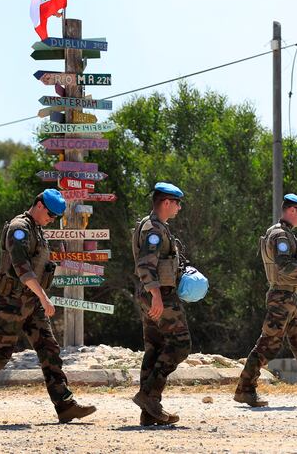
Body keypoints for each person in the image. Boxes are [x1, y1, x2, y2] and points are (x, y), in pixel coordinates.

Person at [0, 189, 96, 424]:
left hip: (30, 302)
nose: (51, 220)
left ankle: (64, 404)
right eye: (50, 215)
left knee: (49, 348)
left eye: (55, 217)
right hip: (12, 302)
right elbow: (22, 269)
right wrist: (43, 296)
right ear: (39, 205)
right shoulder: (19, 228)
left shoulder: (37, 230)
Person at [234, 194, 297, 407]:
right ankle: (245, 389)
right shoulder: (280, 235)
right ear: (292, 210)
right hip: (282, 298)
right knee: (268, 344)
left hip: (291, 298)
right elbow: (286, 268)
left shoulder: (286, 234)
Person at [131, 182, 191, 426]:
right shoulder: (154, 229)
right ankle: (148, 395)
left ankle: (149, 412)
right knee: (181, 344)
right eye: (177, 203)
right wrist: (156, 295)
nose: (179, 208)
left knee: (155, 347)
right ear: (166, 203)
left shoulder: (155, 226)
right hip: (159, 295)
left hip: (152, 293)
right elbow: (146, 264)